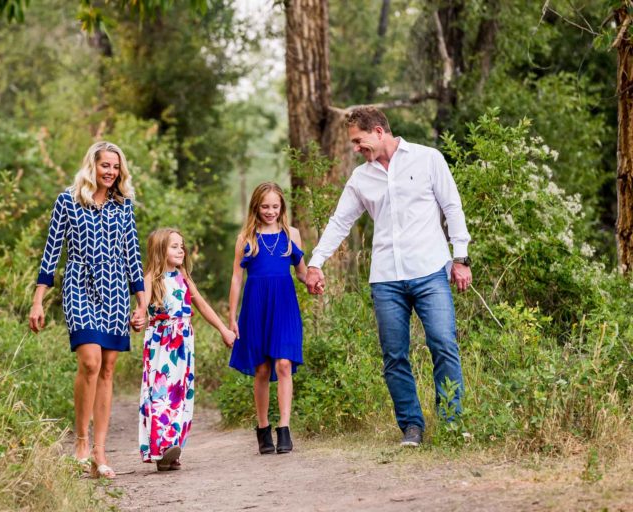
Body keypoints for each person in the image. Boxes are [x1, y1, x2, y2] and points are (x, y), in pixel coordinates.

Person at [305, 106, 472, 447]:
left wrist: (461, 257)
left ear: (379, 132)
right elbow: (340, 222)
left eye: (358, 140)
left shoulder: (428, 159)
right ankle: (412, 427)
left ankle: (452, 423)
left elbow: (452, 206)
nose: (356, 148)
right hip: (386, 279)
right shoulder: (361, 178)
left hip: (430, 270)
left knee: (444, 344)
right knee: (394, 355)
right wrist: (315, 262)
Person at [29, 141, 147, 479]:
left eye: (115, 167)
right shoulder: (68, 200)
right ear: (92, 166)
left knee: (108, 369)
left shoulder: (123, 206)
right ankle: (80, 442)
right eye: (104, 165)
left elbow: (133, 257)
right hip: (79, 286)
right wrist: (38, 300)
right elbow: (51, 252)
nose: (110, 172)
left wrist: (141, 302)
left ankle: (99, 451)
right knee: (90, 361)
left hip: (116, 293)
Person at [138, 228, 236, 471]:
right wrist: (137, 318)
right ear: (160, 249)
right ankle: (162, 448)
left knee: (180, 396)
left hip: (183, 344)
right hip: (161, 344)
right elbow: (141, 307)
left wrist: (224, 330)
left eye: (182, 245)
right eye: (174, 246)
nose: (181, 250)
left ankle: (172, 448)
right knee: (161, 394)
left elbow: (202, 305)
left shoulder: (183, 277)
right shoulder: (151, 277)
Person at [228, 182, 307, 455]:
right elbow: (237, 279)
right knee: (262, 368)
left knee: (284, 363)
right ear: (256, 207)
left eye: (275, 206)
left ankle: (284, 427)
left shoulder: (291, 234)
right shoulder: (246, 238)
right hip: (256, 306)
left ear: (282, 207)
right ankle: (263, 429)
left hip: (284, 305)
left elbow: (302, 272)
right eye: (265, 206)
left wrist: (314, 280)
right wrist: (232, 315)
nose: (270, 211)